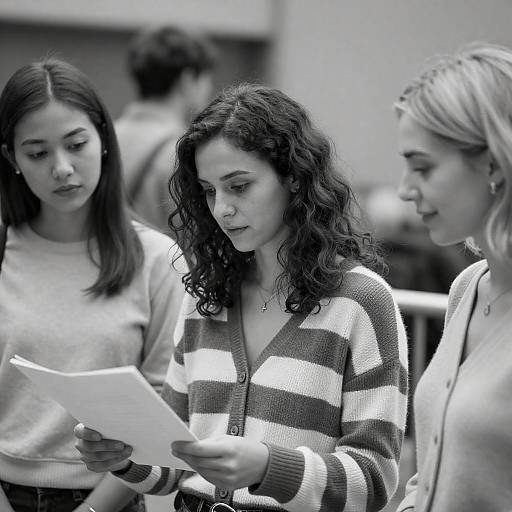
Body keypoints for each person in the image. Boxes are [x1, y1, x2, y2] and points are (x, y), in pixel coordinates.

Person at [75, 83, 408, 512]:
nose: (222, 209)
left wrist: (269, 467)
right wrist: (124, 458)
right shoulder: (205, 298)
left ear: (293, 177)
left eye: (239, 186)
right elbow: (175, 464)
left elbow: (375, 479)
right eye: (210, 191)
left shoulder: (360, 303)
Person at [0, 58, 185, 512]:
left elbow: (166, 407)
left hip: (111, 498)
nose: (62, 168)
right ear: (12, 159)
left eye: (76, 144)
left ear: (104, 139)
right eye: (38, 153)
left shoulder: (160, 261)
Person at [395, 43, 512, 511]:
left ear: (492, 163)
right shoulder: (469, 286)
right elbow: (436, 476)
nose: (404, 189)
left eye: (422, 167)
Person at [116, 25, 216, 233]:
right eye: (206, 78)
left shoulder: (102, 137)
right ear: (188, 79)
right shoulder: (184, 150)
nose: (210, 88)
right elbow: (189, 242)